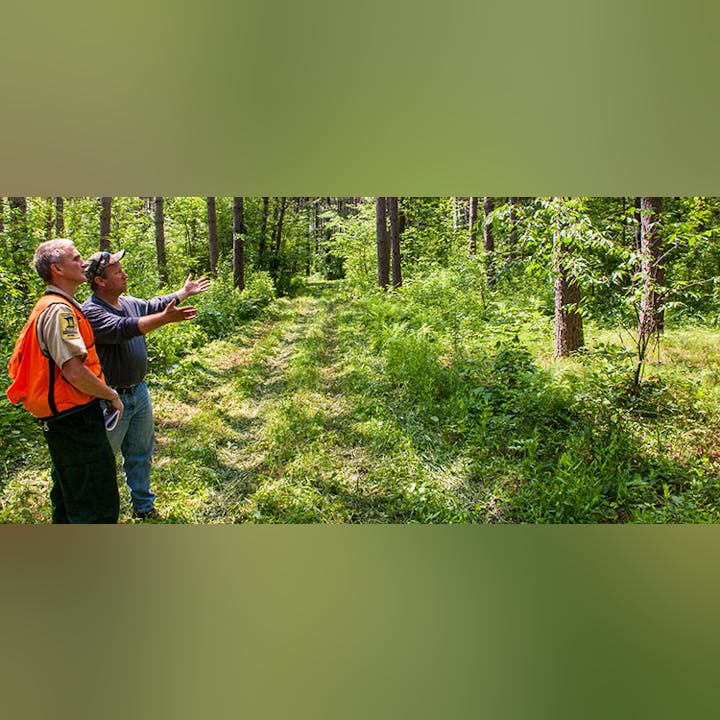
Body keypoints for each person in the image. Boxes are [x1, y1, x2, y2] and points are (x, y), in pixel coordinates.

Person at [82, 250, 210, 520]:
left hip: (138, 392)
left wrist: (183, 293)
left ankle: (143, 505)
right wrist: (164, 319)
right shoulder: (91, 311)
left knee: (141, 452)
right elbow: (122, 329)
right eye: (118, 272)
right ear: (101, 281)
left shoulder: (127, 301)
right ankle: (97, 516)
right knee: (102, 459)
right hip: (109, 400)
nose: (124, 274)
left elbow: (155, 304)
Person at [6, 239, 123, 523]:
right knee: (95, 502)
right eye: (76, 258)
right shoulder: (59, 311)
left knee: (69, 497)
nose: (83, 263)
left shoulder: (53, 306)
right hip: (75, 420)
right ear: (57, 269)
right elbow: (73, 371)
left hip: (64, 419)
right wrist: (110, 395)